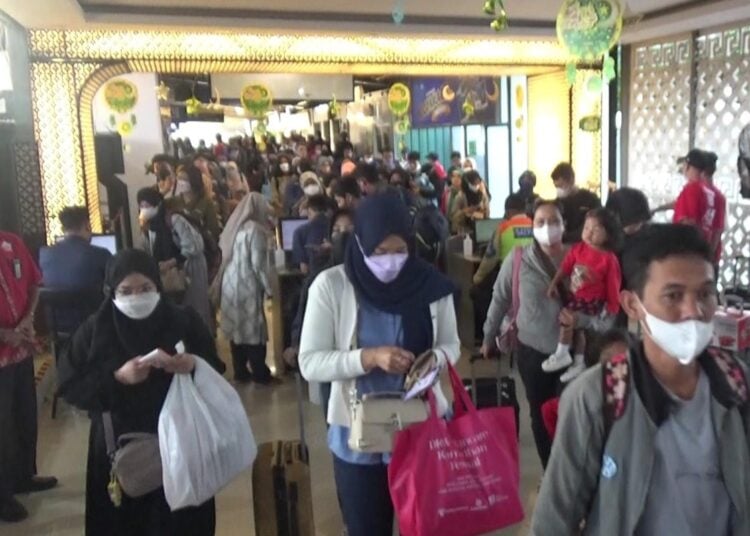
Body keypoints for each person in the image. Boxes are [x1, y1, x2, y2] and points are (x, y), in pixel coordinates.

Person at [532, 224, 750, 535]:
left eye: (705, 293)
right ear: (633, 305)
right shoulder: (598, 397)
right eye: (673, 295)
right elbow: (554, 520)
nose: (694, 310)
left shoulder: (736, 385)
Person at [298, 191, 460, 536]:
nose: (391, 261)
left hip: (421, 427)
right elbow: (310, 363)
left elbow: (452, 344)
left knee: (428, 525)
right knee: (367, 527)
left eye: (400, 251)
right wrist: (368, 358)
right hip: (358, 436)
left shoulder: (429, 284)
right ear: (360, 243)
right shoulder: (331, 287)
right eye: (380, 252)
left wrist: (435, 359)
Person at [57, 250, 224, 536]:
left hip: (181, 441)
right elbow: (71, 386)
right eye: (126, 291)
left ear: (158, 286)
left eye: (145, 288)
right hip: (119, 449)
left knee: (183, 523)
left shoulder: (183, 320)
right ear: (112, 291)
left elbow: (214, 368)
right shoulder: (95, 330)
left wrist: (192, 364)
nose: (136, 297)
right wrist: (118, 378)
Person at [481, 200, 568, 468]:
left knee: (570, 414)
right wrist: (488, 336)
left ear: (564, 225)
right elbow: (500, 298)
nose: (547, 228)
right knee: (540, 413)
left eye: (554, 221)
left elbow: (601, 305)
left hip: (573, 351)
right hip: (532, 351)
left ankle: (569, 472)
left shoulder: (578, 257)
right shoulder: (519, 258)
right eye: (541, 222)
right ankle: (549, 470)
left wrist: (582, 319)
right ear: (532, 226)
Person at [0, 231, 57, 523]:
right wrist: (4, 333)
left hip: (20, 350)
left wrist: (27, 319)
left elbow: (35, 283)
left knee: (24, 415)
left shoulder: (12, 243)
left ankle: (24, 475)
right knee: (2, 427)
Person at [543, 208, 622, 382]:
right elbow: (564, 268)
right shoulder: (578, 249)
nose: (589, 233)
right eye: (586, 228)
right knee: (579, 333)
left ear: (608, 234)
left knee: (567, 319)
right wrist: (553, 283)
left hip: (593, 303)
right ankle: (579, 362)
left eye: (596, 230)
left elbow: (613, 286)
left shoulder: (609, 259)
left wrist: (612, 309)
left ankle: (562, 353)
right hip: (576, 298)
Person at [219, 193, 275, 385]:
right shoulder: (256, 231)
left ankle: (241, 372)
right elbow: (258, 264)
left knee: (237, 329)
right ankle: (261, 373)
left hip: (230, 283)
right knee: (254, 330)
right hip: (247, 283)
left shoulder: (235, 228)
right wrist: (269, 288)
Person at [137, 188, 213, 331]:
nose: (144, 209)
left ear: (157, 204)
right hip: (170, 273)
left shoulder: (173, 219)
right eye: (141, 206)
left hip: (190, 267)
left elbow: (194, 246)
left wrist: (171, 262)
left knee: (195, 308)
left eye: (147, 205)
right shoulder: (149, 226)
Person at [40, 206, 111, 290]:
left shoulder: (45, 254)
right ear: (87, 226)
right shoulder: (101, 254)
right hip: (94, 303)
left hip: (55, 303)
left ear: (63, 229)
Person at [473, 193, 534, 286]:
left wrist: (477, 278)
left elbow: (490, 258)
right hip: (533, 279)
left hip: (509, 279)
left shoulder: (503, 228)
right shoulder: (536, 225)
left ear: (508, 212)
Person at [551, 162, 601, 244]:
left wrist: (568, 236)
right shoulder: (557, 203)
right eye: (556, 187)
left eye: (561, 186)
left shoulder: (590, 199)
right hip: (563, 246)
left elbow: (596, 224)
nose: (559, 190)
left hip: (586, 244)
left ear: (571, 180)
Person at [175, 165, 221, 242]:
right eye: (179, 178)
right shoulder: (173, 201)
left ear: (193, 180)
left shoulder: (205, 202)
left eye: (184, 179)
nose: (180, 182)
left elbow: (213, 230)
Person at [292, 194, 330, 275]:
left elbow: (304, 269)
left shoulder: (299, 232)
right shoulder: (336, 227)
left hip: (315, 280)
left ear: (309, 211)